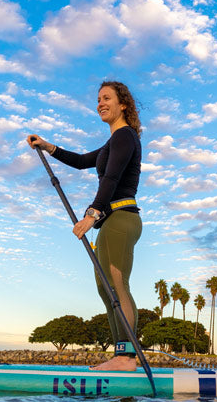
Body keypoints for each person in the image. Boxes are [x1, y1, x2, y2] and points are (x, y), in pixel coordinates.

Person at [27, 81, 143, 371]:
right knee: (107, 291)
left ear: (123, 104)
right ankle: (121, 356)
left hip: (120, 217)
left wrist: (91, 214)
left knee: (117, 284)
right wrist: (47, 146)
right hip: (110, 221)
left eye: (107, 98)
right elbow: (80, 162)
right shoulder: (112, 142)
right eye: (98, 99)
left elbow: (112, 179)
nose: (100, 103)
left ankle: (127, 357)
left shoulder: (125, 136)